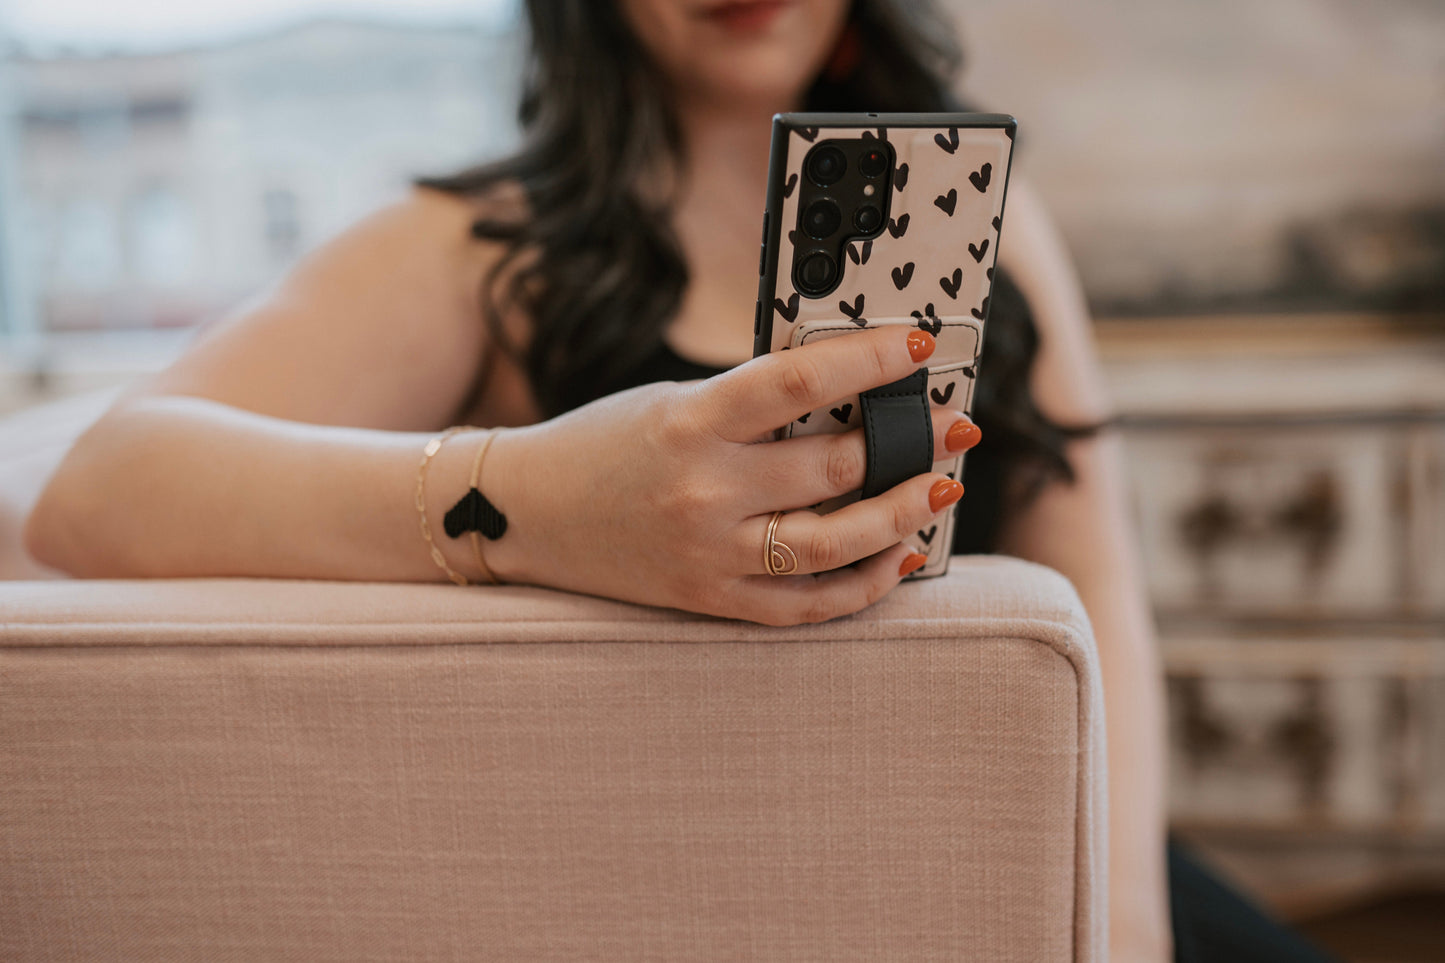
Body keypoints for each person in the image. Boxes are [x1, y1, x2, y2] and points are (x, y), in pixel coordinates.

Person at [23, 1, 1338, 960]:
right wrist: (540, 502)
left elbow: (1094, 578)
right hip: (708, 897)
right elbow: (97, 494)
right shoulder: (471, 249)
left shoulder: (983, 212)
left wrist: (1112, 924)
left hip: (1039, 864)